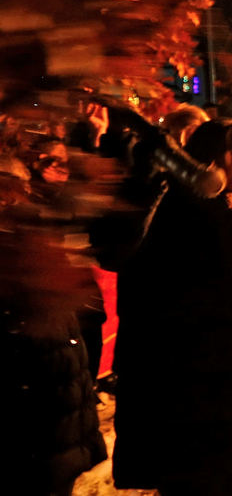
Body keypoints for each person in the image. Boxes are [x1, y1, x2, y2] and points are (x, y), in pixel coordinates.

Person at [103, 118, 232, 496]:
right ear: (208, 156)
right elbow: (121, 251)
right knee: (190, 476)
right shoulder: (168, 206)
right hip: (180, 372)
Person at [2, 152, 108, 496]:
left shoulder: (35, 239)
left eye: (17, 189)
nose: (12, 199)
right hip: (28, 432)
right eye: (4, 190)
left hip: (56, 423)